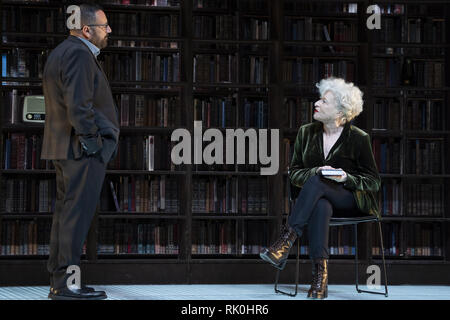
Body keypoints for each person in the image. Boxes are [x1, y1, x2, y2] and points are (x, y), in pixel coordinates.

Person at [260, 77, 381, 299]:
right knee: (320, 205)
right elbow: (294, 173)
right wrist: (316, 171)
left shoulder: (358, 138)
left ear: (340, 112)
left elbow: (373, 181)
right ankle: (320, 279)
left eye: (324, 101)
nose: (316, 103)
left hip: (350, 201)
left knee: (317, 182)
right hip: (318, 201)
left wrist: (346, 178)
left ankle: (285, 242)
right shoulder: (306, 133)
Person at [41, 3, 119, 300]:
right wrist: (94, 144)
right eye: (104, 26)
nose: (108, 30)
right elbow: (79, 106)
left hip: (65, 148)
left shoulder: (61, 52)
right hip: (80, 151)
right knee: (76, 219)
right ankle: (66, 286)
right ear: (87, 30)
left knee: (66, 217)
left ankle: (60, 281)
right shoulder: (78, 54)